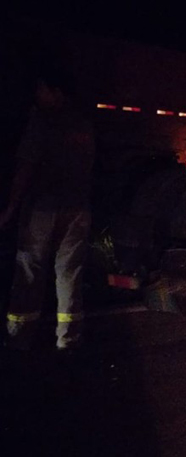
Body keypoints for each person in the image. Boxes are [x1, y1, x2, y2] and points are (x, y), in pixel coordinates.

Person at [0, 72, 97, 351]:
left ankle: (20, 336)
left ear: (57, 92)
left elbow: (25, 168)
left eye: (42, 89)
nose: (37, 94)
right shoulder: (83, 123)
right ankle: (68, 339)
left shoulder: (42, 120)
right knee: (69, 273)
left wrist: (9, 208)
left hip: (42, 209)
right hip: (78, 209)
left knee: (30, 269)